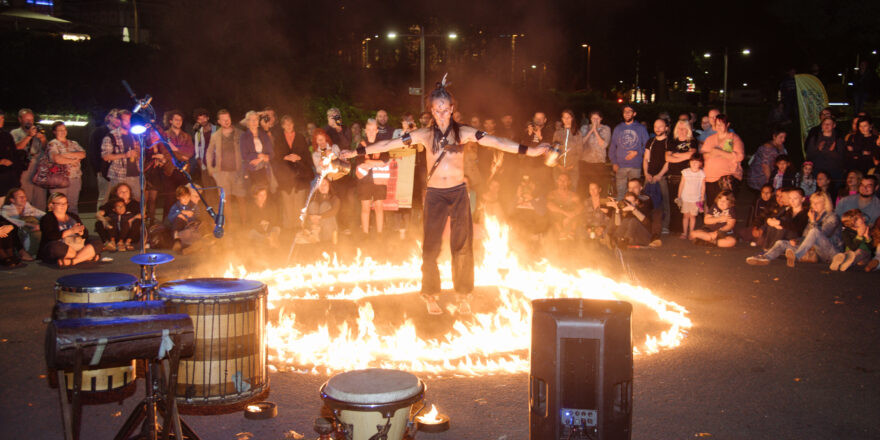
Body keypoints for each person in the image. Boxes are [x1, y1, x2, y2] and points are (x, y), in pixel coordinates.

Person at [341, 76, 549, 315]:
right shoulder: (424, 135)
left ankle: (463, 295)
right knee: (430, 247)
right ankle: (430, 294)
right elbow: (388, 144)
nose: (440, 113)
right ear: (432, 110)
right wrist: (356, 151)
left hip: (459, 192)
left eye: (444, 109)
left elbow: (497, 142)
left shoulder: (464, 133)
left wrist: (529, 151)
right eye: (436, 110)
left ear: (452, 109)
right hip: (435, 194)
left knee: (461, 246)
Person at [748, 191, 841, 266]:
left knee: (814, 231)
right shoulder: (814, 216)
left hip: (830, 253)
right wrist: (797, 240)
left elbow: (822, 234)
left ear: (825, 204)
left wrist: (813, 221)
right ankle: (765, 257)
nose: (814, 205)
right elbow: (806, 236)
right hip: (814, 252)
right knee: (781, 243)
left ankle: (796, 256)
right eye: (813, 203)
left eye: (817, 203)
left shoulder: (832, 216)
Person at [272, 115, 314, 230]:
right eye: (286, 124)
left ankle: (298, 227)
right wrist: (286, 157)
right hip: (285, 176)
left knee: (298, 203)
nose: (288, 126)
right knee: (287, 203)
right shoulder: (279, 138)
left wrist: (298, 157)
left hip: (299, 175)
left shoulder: (300, 137)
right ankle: (288, 229)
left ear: (293, 124)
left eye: (290, 123)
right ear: (282, 126)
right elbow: (276, 156)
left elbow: (306, 155)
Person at [38, 192, 102, 267]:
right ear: (51, 205)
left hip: (77, 244)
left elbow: (85, 234)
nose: (63, 206)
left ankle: (74, 261)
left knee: (97, 241)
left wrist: (81, 232)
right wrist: (71, 231)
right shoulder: (46, 218)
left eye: (65, 203)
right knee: (54, 248)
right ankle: (86, 256)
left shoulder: (73, 216)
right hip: (63, 247)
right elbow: (50, 236)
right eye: (59, 203)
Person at [205, 109, 246, 225]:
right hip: (222, 173)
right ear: (219, 122)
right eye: (223, 120)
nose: (226, 121)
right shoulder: (215, 136)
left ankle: (244, 225)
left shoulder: (239, 133)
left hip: (238, 172)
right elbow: (209, 152)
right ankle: (231, 226)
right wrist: (211, 169)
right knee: (225, 201)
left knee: (241, 199)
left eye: (227, 118)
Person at [355, 119, 390, 235]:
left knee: (379, 207)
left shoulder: (382, 144)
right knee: (365, 208)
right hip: (365, 180)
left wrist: (369, 161)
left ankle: (379, 234)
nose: (370, 132)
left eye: (373, 130)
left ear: (376, 130)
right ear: (365, 131)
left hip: (379, 181)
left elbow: (385, 160)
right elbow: (360, 162)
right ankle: (365, 234)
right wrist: (375, 162)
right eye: (368, 130)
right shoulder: (361, 145)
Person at [700, 114, 744, 204]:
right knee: (712, 207)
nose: (719, 127)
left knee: (725, 208)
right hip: (710, 179)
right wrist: (714, 153)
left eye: (721, 124)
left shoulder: (734, 138)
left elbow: (739, 156)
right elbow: (703, 155)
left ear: (727, 125)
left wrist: (719, 152)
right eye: (717, 124)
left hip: (726, 181)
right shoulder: (710, 139)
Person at [608, 105, 649, 200]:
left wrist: (637, 152)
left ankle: (634, 213)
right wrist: (614, 162)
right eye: (625, 111)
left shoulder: (641, 128)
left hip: (635, 166)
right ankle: (621, 213)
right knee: (621, 193)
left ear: (634, 113)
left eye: (629, 111)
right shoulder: (618, 128)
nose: (626, 113)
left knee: (635, 194)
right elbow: (613, 146)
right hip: (620, 166)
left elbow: (647, 146)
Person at [10, 109, 48, 210]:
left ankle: (40, 223)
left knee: (40, 201)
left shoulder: (37, 130)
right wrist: (29, 136)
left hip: (39, 170)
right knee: (25, 199)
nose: (29, 122)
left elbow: (47, 150)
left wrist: (43, 139)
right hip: (24, 169)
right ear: (20, 119)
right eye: (26, 119)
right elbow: (15, 148)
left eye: (31, 119)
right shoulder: (15, 133)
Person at [101, 109, 142, 201]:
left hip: (135, 174)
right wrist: (125, 155)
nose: (128, 123)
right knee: (119, 201)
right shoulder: (111, 136)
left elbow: (139, 153)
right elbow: (105, 156)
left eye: (129, 120)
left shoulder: (134, 135)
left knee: (137, 201)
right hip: (119, 175)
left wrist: (138, 152)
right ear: (120, 121)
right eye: (125, 120)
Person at [46, 122, 86, 214]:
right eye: (59, 130)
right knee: (58, 205)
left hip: (75, 178)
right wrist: (73, 160)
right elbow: (57, 159)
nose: (62, 132)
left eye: (64, 129)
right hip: (59, 180)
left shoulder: (73, 143)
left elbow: (83, 154)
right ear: (54, 132)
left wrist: (66, 155)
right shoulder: (52, 144)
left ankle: (73, 225)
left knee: (73, 205)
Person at [88, 109, 121, 210]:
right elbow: (93, 152)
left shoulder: (122, 132)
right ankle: (101, 222)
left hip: (120, 172)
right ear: (109, 117)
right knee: (104, 199)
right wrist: (98, 170)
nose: (118, 120)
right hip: (105, 171)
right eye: (116, 117)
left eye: (120, 118)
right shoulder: (98, 132)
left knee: (119, 198)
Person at [95, 183, 141, 251]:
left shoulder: (135, 204)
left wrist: (132, 219)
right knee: (98, 223)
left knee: (138, 222)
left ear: (130, 192)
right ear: (116, 193)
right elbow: (98, 214)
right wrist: (105, 221)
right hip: (113, 231)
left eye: (126, 191)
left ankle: (127, 242)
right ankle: (108, 243)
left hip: (128, 231)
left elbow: (143, 214)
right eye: (121, 192)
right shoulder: (111, 203)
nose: (124, 193)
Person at [643, 119, 671, 233]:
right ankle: (646, 223)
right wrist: (646, 173)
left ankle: (665, 225)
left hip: (662, 177)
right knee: (645, 200)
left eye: (661, 126)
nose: (658, 129)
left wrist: (659, 175)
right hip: (649, 176)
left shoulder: (669, 142)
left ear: (666, 128)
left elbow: (669, 161)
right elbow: (645, 158)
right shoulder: (650, 141)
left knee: (664, 202)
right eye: (655, 126)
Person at [1, 187, 42, 258]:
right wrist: (28, 224)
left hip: (19, 230)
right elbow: (8, 221)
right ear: (12, 200)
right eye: (20, 197)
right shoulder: (6, 210)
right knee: (6, 226)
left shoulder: (28, 207)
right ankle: (9, 256)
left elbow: (43, 215)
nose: (24, 199)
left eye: (24, 196)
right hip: (17, 232)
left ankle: (12, 255)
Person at [240, 111, 273, 190]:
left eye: (256, 119)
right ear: (247, 122)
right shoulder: (244, 137)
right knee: (254, 195)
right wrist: (258, 155)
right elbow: (244, 155)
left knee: (265, 194)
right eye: (252, 120)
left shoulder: (264, 135)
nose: (254, 122)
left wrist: (262, 158)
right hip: (251, 170)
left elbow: (271, 153)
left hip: (265, 169)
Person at [300, 178, 340, 244]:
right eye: (320, 184)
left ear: (329, 186)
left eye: (325, 184)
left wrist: (320, 217)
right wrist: (310, 217)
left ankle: (315, 235)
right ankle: (314, 234)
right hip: (315, 230)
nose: (322, 187)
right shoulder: (314, 198)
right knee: (313, 204)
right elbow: (305, 212)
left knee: (324, 205)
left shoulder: (335, 198)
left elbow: (334, 211)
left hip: (328, 229)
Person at [805, 117, 844, 182]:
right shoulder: (815, 139)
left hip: (833, 173)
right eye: (824, 124)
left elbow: (842, 158)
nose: (826, 126)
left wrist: (832, 152)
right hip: (817, 171)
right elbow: (809, 156)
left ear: (834, 125)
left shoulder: (838, 140)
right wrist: (818, 149)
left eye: (829, 124)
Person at [165, 185, 202, 254]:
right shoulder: (176, 206)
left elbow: (198, 217)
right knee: (179, 219)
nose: (186, 200)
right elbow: (170, 217)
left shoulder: (193, 206)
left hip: (191, 228)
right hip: (180, 229)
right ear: (178, 197)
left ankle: (192, 246)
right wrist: (179, 213)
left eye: (187, 197)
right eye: (183, 198)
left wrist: (192, 216)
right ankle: (177, 241)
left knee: (193, 232)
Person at [676, 155, 706, 240]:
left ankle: (691, 232)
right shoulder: (685, 172)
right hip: (685, 198)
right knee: (685, 216)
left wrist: (702, 198)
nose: (694, 163)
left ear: (701, 164)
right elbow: (681, 184)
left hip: (696, 199)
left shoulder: (702, 173)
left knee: (693, 216)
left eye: (696, 162)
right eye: (692, 161)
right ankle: (684, 232)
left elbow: (703, 187)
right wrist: (679, 196)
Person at [551, 110, 583, 189]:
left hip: (573, 168)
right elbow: (554, 150)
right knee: (558, 189)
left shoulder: (577, 133)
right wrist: (558, 164)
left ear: (572, 118)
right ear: (562, 119)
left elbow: (579, 151)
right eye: (564, 117)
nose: (566, 120)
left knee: (572, 189)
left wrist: (572, 165)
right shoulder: (558, 133)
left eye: (568, 117)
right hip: (558, 167)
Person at [546, 173, 582, 241]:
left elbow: (580, 207)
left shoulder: (574, 195)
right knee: (554, 211)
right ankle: (561, 232)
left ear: (569, 182)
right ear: (557, 181)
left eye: (565, 180)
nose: (562, 182)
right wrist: (565, 213)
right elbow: (549, 205)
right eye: (560, 180)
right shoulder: (552, 194)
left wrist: (571, 215)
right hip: (557, 220)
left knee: (576, 210)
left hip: (571, 219)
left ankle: (572, 232)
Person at [0, 110, 25, 197]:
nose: (1, 120)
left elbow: (14, 156)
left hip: (10, 178)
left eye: (2, 118)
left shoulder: (7, 136)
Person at [191, 108, 216, 184]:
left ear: (208, 117)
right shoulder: (198, 134)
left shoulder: (217, 129)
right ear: (197, 121)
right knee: (208, 189)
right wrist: (202, 167)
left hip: (218, 165)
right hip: (205, 166)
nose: (202, 120)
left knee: (221, 188)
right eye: (199, 119)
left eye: (204, 117)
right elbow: (197, 153)